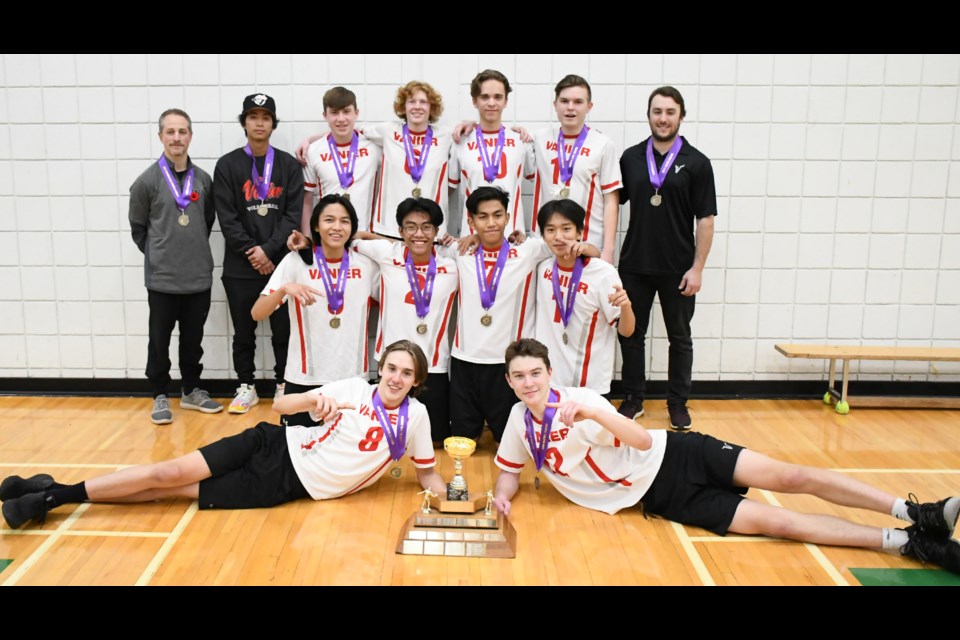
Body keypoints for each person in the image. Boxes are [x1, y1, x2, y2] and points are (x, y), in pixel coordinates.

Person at [491, 338, 960, 574]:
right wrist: (503, 497)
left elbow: (641, 441)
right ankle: (909, 543)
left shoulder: (580, 402)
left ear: (550, 372)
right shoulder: (517, 420)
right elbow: (509, 472)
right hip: (662, 497)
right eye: (519, 376)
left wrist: (595, 412)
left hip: (680, 453)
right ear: (510, 382)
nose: (529, 382)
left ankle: (915, 511)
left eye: (536, 372)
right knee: (781, 525)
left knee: (790, 476)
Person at [1, 341, 444, 530]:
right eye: (391, 368)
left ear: (417, 382)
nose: (395, 378)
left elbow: (427, 475)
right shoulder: (352, 387)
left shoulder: (418, 418)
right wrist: (312, 403)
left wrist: (454, 500)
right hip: (271, 442)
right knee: (167, 469)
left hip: (284, 484)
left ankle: (52, 490)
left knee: (172, 491)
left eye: (406, 374)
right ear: (380, 367)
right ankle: (52, 498)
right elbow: (283, 407)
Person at [448, 186, 598, 443]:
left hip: (509, 364)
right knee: (461, 441)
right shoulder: (460, 251)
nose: (491, 223)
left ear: (508, 217)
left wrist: (590, 249)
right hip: (465, 360)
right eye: (482, 217)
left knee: (507, 441)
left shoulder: (529, 250)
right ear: (471, 221)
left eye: (498, 215)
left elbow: (584, 250)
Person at [616, 86, 716, 431]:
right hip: (634, 265)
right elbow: (612, 204)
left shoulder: (698, 163)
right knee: (630, 335)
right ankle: (633, 399)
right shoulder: (630, 158)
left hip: (678, 267)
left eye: (670, 112)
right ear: (649, 116)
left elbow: (706, 219)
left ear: (681, 116)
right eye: (657, 111)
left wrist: (698, 268)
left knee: (680, 337)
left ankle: (677, 404)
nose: (663, 118)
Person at [128, 108, 223, 425]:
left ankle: (191, 390)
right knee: (159, 340)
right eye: (170, 132)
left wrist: (190, 249)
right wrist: (160, 255)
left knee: (192, 340)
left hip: (197, 277)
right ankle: (158, 393)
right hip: (162, 281)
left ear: (190, 136)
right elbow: (139, 229)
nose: (177, 137)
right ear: (161, 137)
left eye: (182, 131)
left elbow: (205, 221)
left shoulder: (205, 180)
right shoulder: (146, 182)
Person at [252, 194, 379, 426]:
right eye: (329, 220)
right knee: (295, 453)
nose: (337, 227)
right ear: (316, 226)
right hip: (303, 379)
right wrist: (283, 290)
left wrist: (364, 236)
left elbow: (405, 246)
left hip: (352, 379)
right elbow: (257, 313)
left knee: (347, 456)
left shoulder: (367, 265)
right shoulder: (295, 262)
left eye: (345, 221)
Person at [214, 93, 303, 414]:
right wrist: (253, 251)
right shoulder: (227, 165)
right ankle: (246, 385)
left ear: (273, 124)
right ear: (245, 123)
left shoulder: (288, 165)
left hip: (281, 265)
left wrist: (268, 250)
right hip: (240, 265)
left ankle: (283, 383)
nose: (259, 122)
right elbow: (226, 217)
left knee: (283, 330)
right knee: (243, 331)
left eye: (265, 117)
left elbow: (293, 215)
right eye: (253, 117)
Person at [350, 198, 459, 445]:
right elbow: (344, 237)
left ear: (437, 231)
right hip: (392, 365)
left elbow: (480, 250)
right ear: (400, 231)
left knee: (435, 441)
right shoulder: (387, 253)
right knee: (385, 438)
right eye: (410, 227)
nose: (419, 234)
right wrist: (377, 237)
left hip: (434, 365)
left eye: (426, 227)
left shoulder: (452, 263)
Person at [298, 81, 453, 240]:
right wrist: (310, 140)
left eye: (423, 102)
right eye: (412, 101)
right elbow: (348, 130)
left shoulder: (447, 136)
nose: (417, 106)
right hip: (389, 231)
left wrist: (471, 123)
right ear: (403, 106)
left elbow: (471, 135)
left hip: (429, 230)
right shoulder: (387, 132)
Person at [534, 199, 635, 395]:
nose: (559, 237)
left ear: (579, 232)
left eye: (566, 229)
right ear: (543, 235)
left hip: (591, 383)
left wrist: (626, 306)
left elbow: (627, 332)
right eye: (550, 230)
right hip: (549, 382)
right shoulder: (542, 268)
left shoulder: (603, 273)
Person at [528, 75, 621, 263]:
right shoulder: (539, 138)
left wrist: (608, 250)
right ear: (555, 104)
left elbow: (611, 199)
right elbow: (504, 139)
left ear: (589, 106)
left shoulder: (603, 144)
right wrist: (471, 127)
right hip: (544, 245)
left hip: (588, 244)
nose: (570, 107)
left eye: (578, 102)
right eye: (564, 101)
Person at [448, 69, 534, 238]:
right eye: (485, 97)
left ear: (506, 101)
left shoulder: (521, 140)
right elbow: (448, 190)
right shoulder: (460, 140)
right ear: (475, 101)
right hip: (471, 237)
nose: (491, 103)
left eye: (498, 97)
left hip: (513, 236)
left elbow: (541, 179)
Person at [300, 86, 382, 236]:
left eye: (346, 112)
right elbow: (307, 201)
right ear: (325, 115)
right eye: (334, 113)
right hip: (330, 236)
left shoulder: (374, 147)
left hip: (366, 236)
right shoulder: (313, 151)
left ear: (356, 113)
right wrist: (308, 240)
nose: (341, 119)